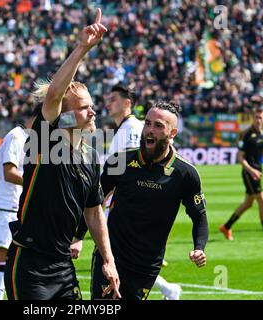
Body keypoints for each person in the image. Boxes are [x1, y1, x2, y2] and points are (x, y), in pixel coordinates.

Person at [3, 8, 120, 300]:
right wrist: (82, 48)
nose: (92, 111)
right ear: (63, 116)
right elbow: (54, 94)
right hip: (29, 264)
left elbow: (94, 212)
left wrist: (108, 259)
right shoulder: (46, 140)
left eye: (91, 105)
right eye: (83, 107)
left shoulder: (91, 156)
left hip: (63, 266)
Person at [91, 101, 208, 300]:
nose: (150, 130)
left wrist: (199, 247)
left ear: (172, 134)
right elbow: (93, 202)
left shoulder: (185, 174)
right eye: (147, 123)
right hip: (111, 254)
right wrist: (77, 238)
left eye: (158, 125)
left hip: (146, 264)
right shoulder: (120, 161)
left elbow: (199, 215)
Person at [75, 85, 182, 300]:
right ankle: (168, 289)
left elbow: (139, 172)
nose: (107, 103)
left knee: (114, 262)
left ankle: (167, 289)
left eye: (113, 99)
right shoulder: (123, 129)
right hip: (114, 206)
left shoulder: (133, 129)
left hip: (123, 210)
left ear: (127, 103)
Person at [0, 107, 38, 300]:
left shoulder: (28, 139)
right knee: (2, 263)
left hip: (17, 208)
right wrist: (36, 182)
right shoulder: (15, 137)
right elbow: (9, 173)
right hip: (5, 207)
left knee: (16, 265)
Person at [220, 107, 263, 241]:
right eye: (256, 117)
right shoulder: (246, 134)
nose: (259, 120)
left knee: (248, 203)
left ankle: (226, 227)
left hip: (258, 171)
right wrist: (252, 171)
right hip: (249, 173)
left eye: (261, 117)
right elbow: (240, 157)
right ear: (253, 118)